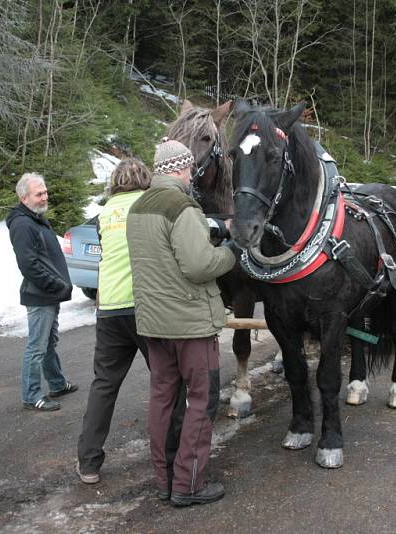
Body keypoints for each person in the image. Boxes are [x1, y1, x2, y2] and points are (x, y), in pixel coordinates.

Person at [126, 138, 236, 507]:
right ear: (179, 168)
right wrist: (229, 253)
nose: (192, 176)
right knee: (202, 401)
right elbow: (199, 265)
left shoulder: (138, 206)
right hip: (190, 325)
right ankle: (188, 485)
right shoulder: (182, 205)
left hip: (154, 324)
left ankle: (165, 479)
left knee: (162, 401)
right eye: (189, 169)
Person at [76, 158, 153, 484]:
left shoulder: (105, 212)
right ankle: (172, 449)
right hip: (144, 306)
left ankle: (89, 462)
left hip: (108, 307)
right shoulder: (149, 205)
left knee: (104, 385)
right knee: (167, 380)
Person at [7, 173, 78, 411]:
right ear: (24, 197)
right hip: (40, 295)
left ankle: (57, 383)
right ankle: (31, 395)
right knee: (37, 347)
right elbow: (28, 265)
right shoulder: (23, 224)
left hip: (49, 293)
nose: (44, 197)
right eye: (39, 194)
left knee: (48, 343)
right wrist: (55, 285)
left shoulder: (36, 218)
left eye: (45, 192)